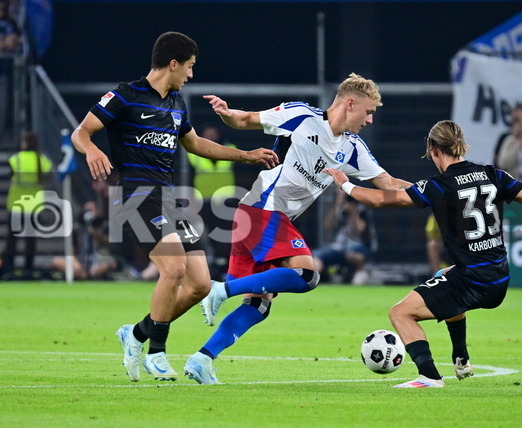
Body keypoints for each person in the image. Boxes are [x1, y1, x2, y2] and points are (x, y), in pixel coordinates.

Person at [324, 120, 522, 388]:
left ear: (434, 150)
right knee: (444, 276)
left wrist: (345, 184)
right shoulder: (494, 175)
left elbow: (380, 200)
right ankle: (461, 358)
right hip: (498, 278)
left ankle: (429, 376)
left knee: (400, 313)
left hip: (473, 280)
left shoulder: (440, 185)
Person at [70, 31, 278, 382]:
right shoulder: (126, 95)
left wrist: (247, 155)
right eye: (190, 66)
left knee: (200, 285)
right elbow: (81, 132)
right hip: (135, 196)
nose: (191, 75)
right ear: (173, 64)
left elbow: (196, 144)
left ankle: (136, 333)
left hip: (168, 198)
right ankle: (156, 352)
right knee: (174, 267)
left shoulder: (177, 104)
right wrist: (91, 149)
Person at [183, 72, 412, 384]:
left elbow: (388, 183)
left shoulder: (352, 148)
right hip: (263, 209)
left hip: (259, 218)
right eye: (368, 112)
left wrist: (433, 191)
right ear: (350, 103)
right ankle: (219, 290)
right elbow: (246, 120)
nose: (370, 120)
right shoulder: (302, 116)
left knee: (258, 305)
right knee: (307, 275)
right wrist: (226, 113)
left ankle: (201, 359)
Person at [187, 125, 237, 280]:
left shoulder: (231, 148)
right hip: (204, 200)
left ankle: (227, 266)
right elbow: (189, 176)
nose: (211, 136)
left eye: (213, 133)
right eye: (207, 133)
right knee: (208, 234)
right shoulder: (194, 152)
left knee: (227, 234)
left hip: (225, 200)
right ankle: (213, 265)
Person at [1, 130, 53, 280]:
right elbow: (48, 174)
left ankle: (9, 268)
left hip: (16, 204)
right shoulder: (41, 159)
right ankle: (28, 268)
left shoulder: (17, 159)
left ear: (25, 143)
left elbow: (9, 174)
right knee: (31, 240)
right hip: (33, 206)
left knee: (13, 239)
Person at [313, 188, 377, 285]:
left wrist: (353, 212)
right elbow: (328, 225)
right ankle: (315, 278)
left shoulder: (362, 210)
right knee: (316, 256)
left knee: (352, 254)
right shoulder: (340, 209)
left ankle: (362, 272)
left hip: (358, 246)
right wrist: (339, 203)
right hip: (338, 247)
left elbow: (360, 230)